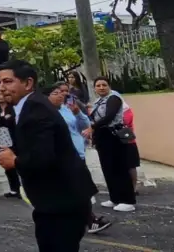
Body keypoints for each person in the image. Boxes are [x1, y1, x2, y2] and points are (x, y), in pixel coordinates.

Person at [0, 60, 95, 252]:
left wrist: (14, 161)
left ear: (28, 83)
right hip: (52, 202)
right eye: (0, 82)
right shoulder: (24, 107)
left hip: (63, 201)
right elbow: (28, 145)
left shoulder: (36, 109)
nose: (2, 88)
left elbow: (43, 157)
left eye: (8, 82)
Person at [47, 83, 110, 234]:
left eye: (65, 92)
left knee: (82, 189)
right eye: (57, 93)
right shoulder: (46, 113)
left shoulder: (67, 109)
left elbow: (84, 125)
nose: (62, 95)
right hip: (62, 156)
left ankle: (84, 219)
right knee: (79, 190)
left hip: (78, 153)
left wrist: (77, 113)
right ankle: (89, 220)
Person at [89, 76, 138, 213]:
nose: (101, 88)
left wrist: (92, 127)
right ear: (94, 88)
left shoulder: (113, 98)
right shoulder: (98, 101)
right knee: (108, 168)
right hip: (102, 137)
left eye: (104, 85)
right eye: (98, 85)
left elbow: (109, 116)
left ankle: (128, 200)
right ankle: (115, 197)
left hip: (113, 136)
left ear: (109, 86)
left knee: (119, 168)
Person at [0, 92, 21, 198]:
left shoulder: (12, 108)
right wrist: (3, 119)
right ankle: (14, 189)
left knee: (17, 164)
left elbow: (12, 121)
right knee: (7, 165)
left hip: (12, 139)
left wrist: (1, 120)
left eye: (1, 95)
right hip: (0, 139)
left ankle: (21, 188)